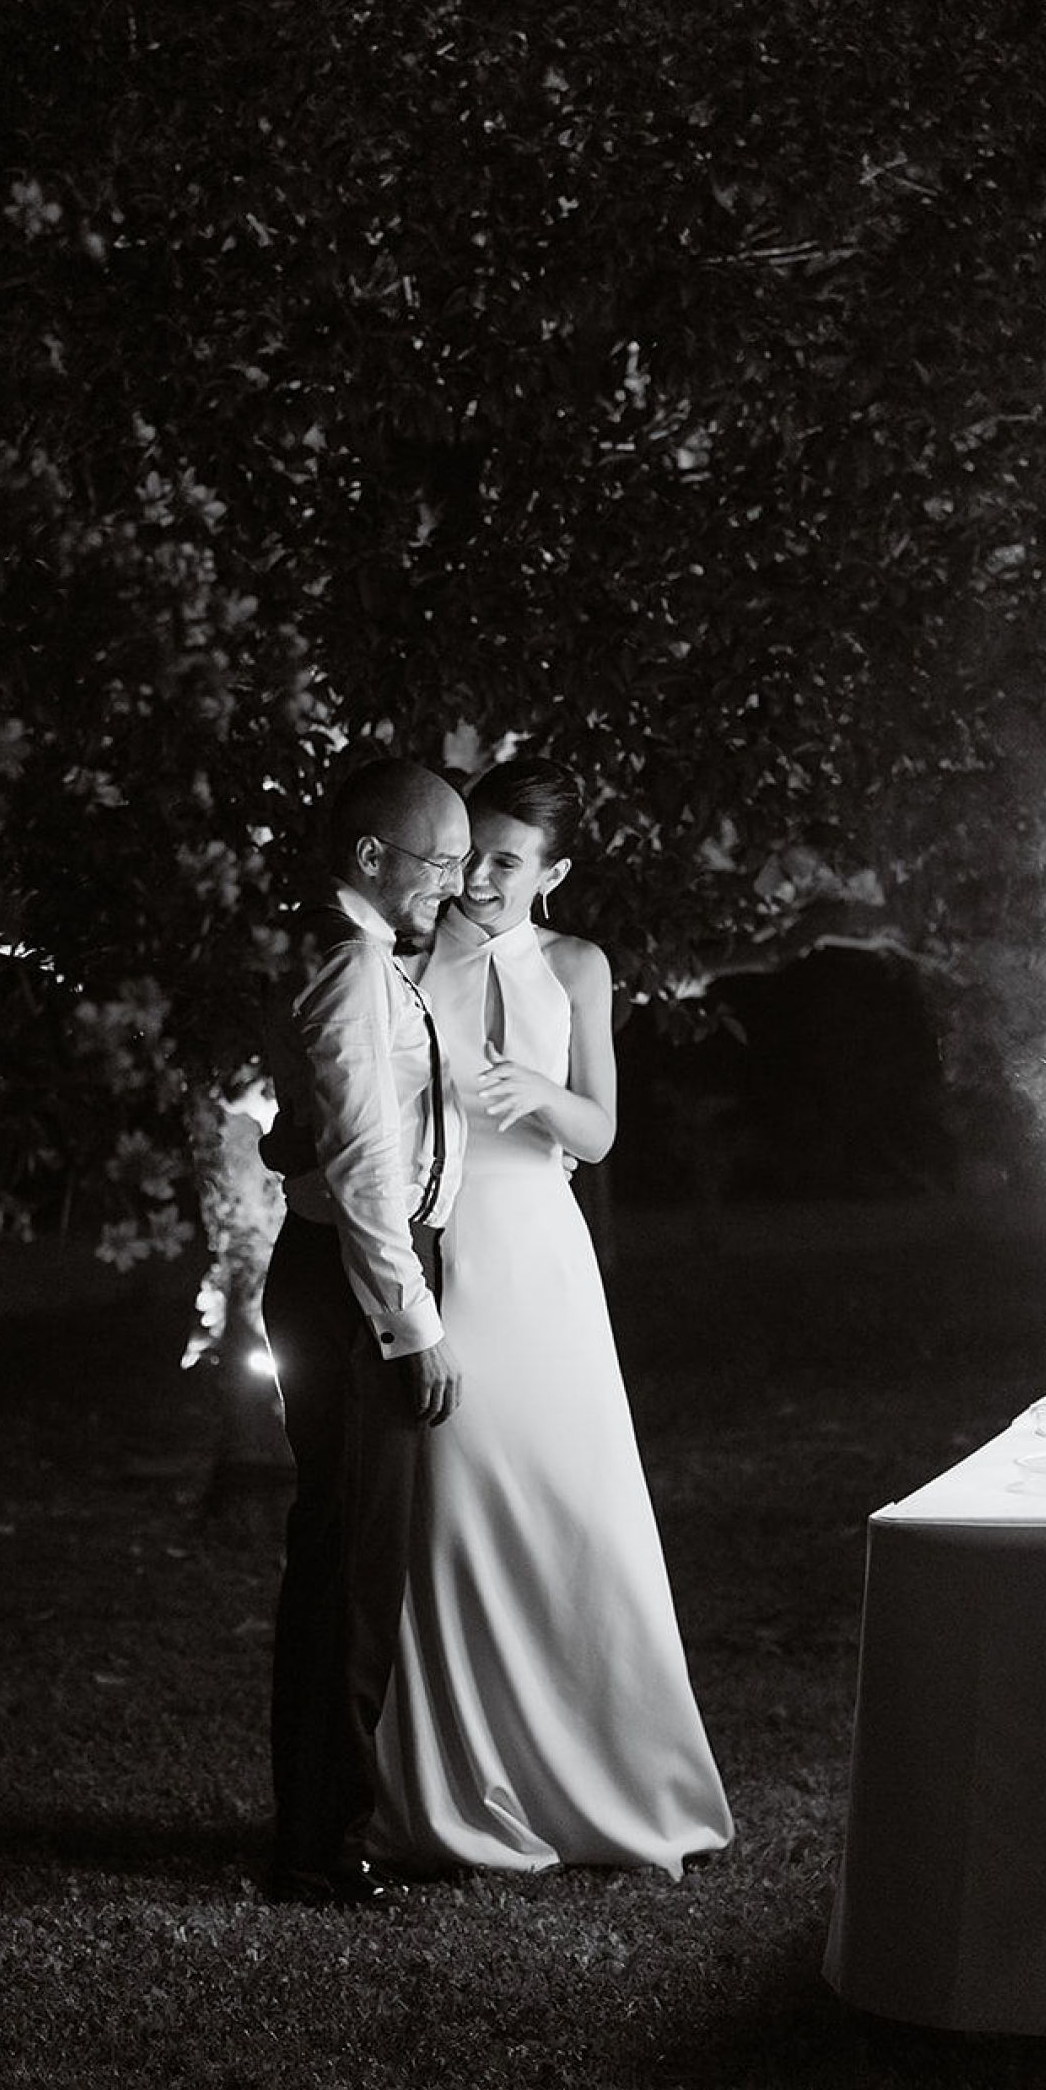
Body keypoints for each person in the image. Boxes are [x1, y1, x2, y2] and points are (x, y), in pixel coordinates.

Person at [370, 757, 734, 1879]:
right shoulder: (404, 956)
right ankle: (458, 1781)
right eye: (469, 849)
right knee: (454, 1509)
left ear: (553, 873)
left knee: (575, 1506)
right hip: (440, 1243)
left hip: (538, 1254)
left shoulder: (575, 965)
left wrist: (540, 1095)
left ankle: (615, 1776)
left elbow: (603, 1127)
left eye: (507, 859)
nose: (478, 873)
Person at [259, 757, 472, 1907]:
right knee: (348, 1572)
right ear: (370, 857)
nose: (451, 881)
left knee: (350, 1563)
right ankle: (316, 1846)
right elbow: (364, 1168)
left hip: (350, 1279)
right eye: (437, 860)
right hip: (354, 1292)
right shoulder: (349, 971)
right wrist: (411, 1323)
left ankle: (325, 1825)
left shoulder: (361, 961)